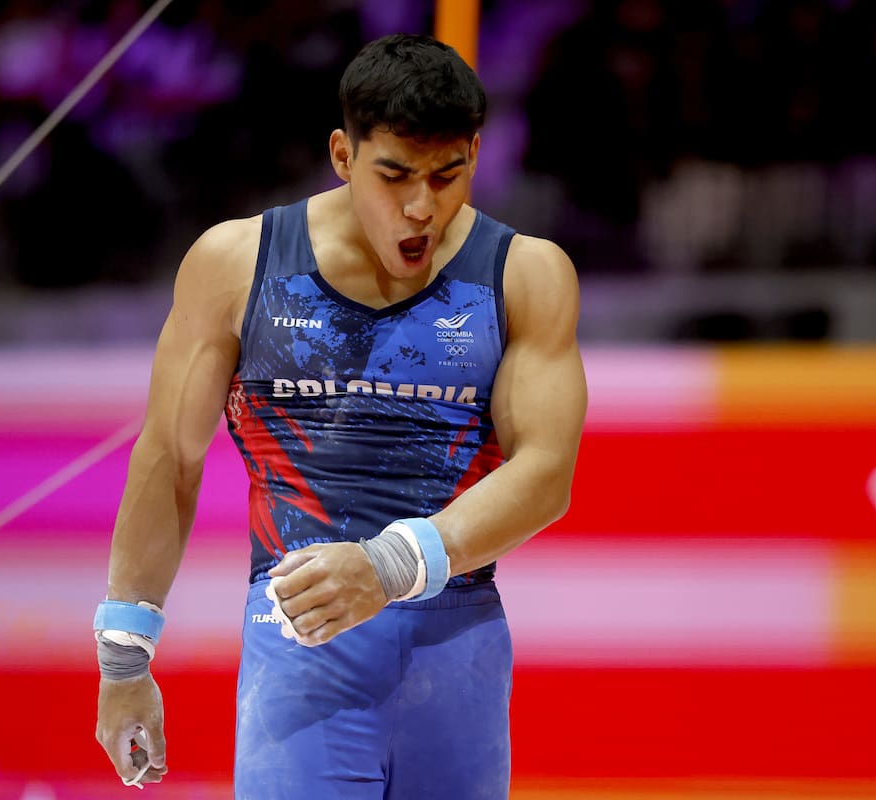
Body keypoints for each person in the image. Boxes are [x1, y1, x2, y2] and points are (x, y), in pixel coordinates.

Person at [93, 33, 587, 798]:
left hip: (455, 642)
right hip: (300, 640)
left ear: (476, 156)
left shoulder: (523, 275)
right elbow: (169, 459)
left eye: (448, 176)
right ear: (343, 155)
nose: (423, 206)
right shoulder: (237, 265)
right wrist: (125, 658)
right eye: (395, 176)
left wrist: (386, 568)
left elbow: (547, 476)